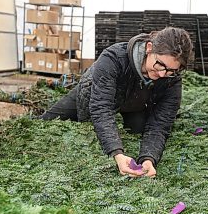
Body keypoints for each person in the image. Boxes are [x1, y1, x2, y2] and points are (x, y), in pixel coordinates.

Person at [40, 27, 193, 178]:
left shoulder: (172, 79)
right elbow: (101, 108)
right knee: (51, 122)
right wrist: (116, 152)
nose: (161, 74)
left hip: (137, 102)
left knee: (137, 130)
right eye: (160, 64)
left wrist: (149, 158)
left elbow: (160, 124)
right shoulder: (113, 58)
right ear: (149, 48)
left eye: (171, 70)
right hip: (94, 90)